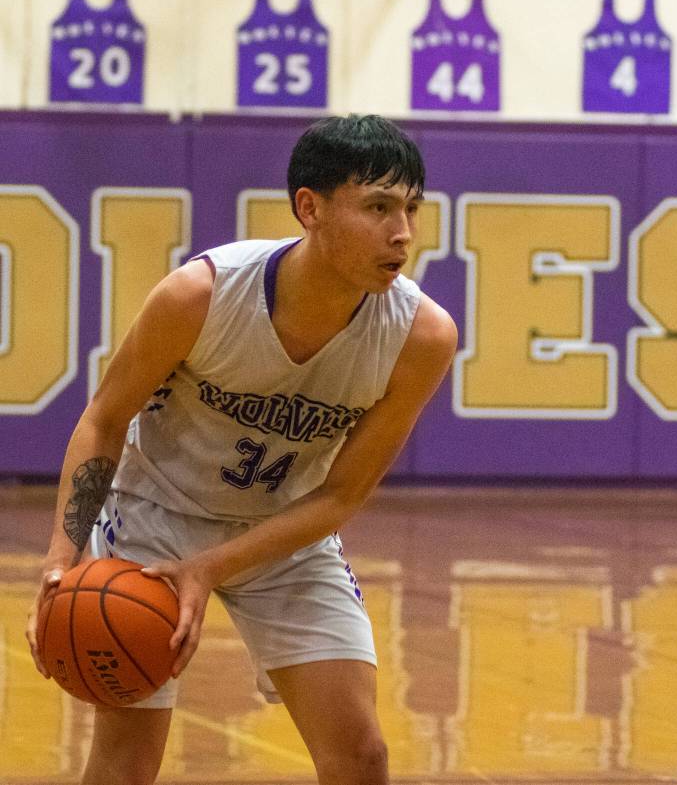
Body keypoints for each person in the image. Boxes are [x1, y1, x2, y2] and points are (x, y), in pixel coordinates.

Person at [25, 114, 458, 785]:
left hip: (284, 535)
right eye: (377, 207)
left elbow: (342, 495)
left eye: (411, 209)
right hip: (152, 517)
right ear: (309, 208)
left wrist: (213, 566)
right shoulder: (202, 295)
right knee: (127, 759)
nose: (401, 232)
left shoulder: (421, 337)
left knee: (361, 754)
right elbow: (105, 419)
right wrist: (62, 561)